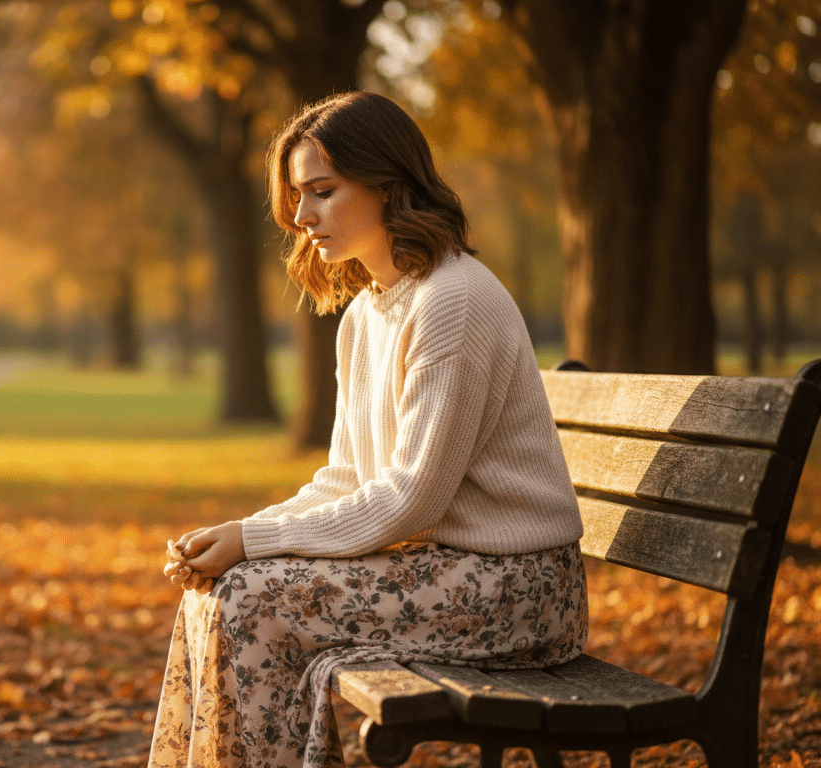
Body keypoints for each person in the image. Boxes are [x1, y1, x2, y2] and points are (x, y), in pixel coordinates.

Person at [148, 91, 588, 768]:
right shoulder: (366, 315)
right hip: (448, 572)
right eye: (297, 196)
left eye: (321, 191)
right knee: (220, 591)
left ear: (387, 185)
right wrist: (242, 534)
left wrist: (253, 541)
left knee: (253, 603)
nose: (300, 217)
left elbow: (413, 497)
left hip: (517, 589)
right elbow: (347, 480)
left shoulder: (452, 302)